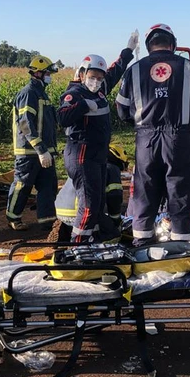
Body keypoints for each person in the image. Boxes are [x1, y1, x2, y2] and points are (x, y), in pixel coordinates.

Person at [115, 23, 190, 246]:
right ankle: (180, 246)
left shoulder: (134, 70)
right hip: (179, 137)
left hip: (145, 138)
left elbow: (121, 108)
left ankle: (141, 245)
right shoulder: (189, 67)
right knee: (179, 189)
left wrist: (141, 124)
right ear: (172, 44)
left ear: (148, 46)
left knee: (144, 190)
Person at [57, 37, 136, 242]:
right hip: (82, 154)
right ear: (82, 74)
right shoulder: (74, 94)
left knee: (98, 202)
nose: (96, 80)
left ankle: (93, 239)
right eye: (92, 76)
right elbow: (62, 118)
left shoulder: (99, 89)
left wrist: (127, 52)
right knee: (89, 204)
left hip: (97, 155)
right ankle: (78, 244)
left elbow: (115, 72)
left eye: (99, 77)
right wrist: (83, 106)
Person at [5, 55, 59, 231]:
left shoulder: (42, 93)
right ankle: (13, 217)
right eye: (47, 73)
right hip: (29, 151)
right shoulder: (28, 93)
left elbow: (49, 123)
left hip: (45, 151)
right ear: (38, 73)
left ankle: (47, 222)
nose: (50, 75)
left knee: (48, 187)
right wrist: (40, 149)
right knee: (23, 185)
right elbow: (25, 123)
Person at [55, 143, 128, 243]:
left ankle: (68, 233)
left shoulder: (88, 164)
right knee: (113, 234)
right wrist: (116, 221)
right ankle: (91, 241)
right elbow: (114, 197)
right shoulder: (111, 168)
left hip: (60, 212)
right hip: (80, 213)